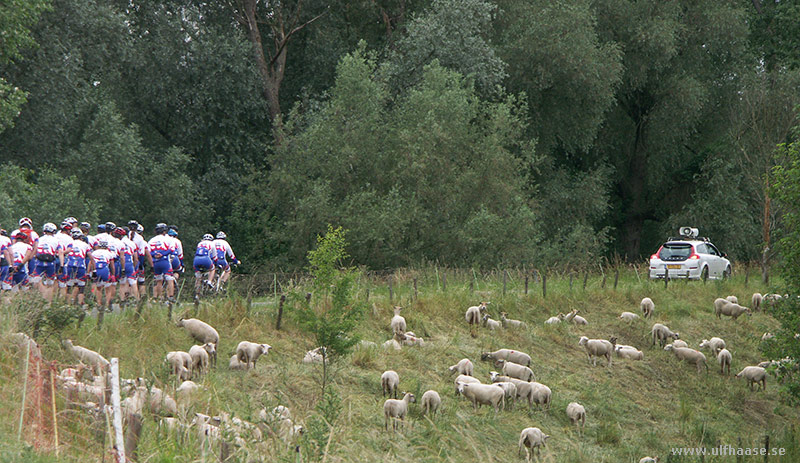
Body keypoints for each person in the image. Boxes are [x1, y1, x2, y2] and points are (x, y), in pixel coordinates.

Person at [31, 222, 65, 301]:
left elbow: (34, 250)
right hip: (50, 263)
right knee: (50, 284)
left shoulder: (39, 239)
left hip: (39, 262)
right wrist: (62, 265)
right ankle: (48, 301)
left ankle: (42, 295)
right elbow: (60, 253)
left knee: (36, 281)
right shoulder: (56, 240)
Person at [65, 229, 92, 308]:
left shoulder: (70, 243)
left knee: (69, 286)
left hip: (70, 265)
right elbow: (91, 257)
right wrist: (93, 270)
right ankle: (80, 305)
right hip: (81, 266)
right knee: (81, 287)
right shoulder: (85, 244)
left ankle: (68, 305)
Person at [147, 223, 173, 301]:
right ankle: (170, 297)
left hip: (155, 262)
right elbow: (172, 249)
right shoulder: (168, 239)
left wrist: (155, 254)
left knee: (158, 280)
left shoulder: (151, 240)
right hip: (164, 261)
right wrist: (162, 254)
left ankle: (160, 297)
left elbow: (148, 252)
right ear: (164, 231)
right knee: (169, 279)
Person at [89, 239, 116, 310]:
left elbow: (90, 263)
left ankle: (99, 304)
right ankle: (107, 305)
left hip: (96, 269)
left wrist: (88, 272)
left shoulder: (94, 252)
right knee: (108, 289)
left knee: (98, 288)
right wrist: (113, 274)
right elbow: (112, 265)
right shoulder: (109, 253)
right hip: (105, 270)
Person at [115, 226, 139, 303]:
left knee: (122, 283)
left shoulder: (117, 243)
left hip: (120, 262)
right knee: (133, 283)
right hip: (129, 262)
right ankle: (137, 299)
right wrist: (134, 267)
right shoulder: (132, 243)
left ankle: (122, 300)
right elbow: (136, 258)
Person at [55, 222, 74, 299]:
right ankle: (61, 300)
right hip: (63, 259)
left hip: (54, 257)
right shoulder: (69, 238)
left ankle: (53, 298)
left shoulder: (55, 236)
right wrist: (62, 253)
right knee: (62, 282)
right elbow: (69, 249)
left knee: (53, 279)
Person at [0, 228, 11, 294]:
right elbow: (8, 253)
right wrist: (10, 265)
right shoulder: (5, 239)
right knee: (5, 283)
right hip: (4, 261)